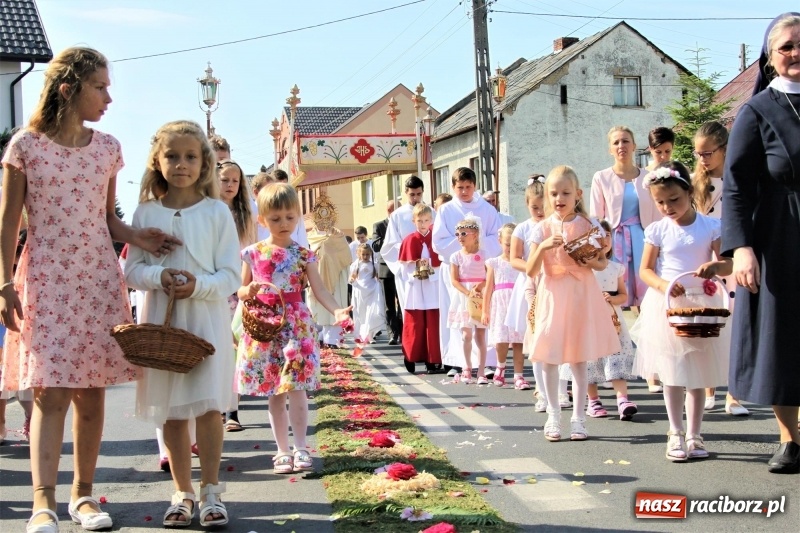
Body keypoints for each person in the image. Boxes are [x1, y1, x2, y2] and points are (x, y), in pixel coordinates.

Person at [0, 47, 180, 533]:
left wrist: (139, 237)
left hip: (98, 279)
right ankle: (43, 502)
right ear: (68, 90)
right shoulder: (25, 146)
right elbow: (9, 220)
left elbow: (106, 220)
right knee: (50, 394)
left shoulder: (108, 148)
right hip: (45, 279)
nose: (108, 97)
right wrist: (2, 283)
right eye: (99, 86)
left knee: (92, 395)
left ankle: (83, 497)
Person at [126, 120, 239, 527]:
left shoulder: (216, 212)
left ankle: (211, 491)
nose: (181, 164)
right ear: (158, 160)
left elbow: (231, 274)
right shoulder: (145, 212)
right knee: (173, 411)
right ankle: (182, 491)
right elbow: (132, 270)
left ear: (204, 163)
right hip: (163, 323)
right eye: (172, 156)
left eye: (191, 156)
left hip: (205, 320)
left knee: (209, 407)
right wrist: (159, 277)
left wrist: (200, 286)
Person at [722, 12, 800, 474]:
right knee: (783, 338)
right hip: (780, 236)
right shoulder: (757, 112)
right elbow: (736, 187)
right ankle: (791, 439)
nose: (796, 53)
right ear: (770, 57)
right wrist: (742, 248)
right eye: (787, 46)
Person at [235, 183, 350, 475]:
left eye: (289, 217)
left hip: (297, 325)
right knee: (275, 391)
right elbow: (240, 290)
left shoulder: (304, 254)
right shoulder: (252, 253)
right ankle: (281, 449)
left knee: (297, 388)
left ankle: (301, 447)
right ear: (262, 220)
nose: (283, 223)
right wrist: (249, 289)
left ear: (297, 217)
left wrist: (336, 309)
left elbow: (319, 288)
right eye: (275, 219)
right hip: (267, 326)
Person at [630, 161, 732, 463]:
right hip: (669, 305)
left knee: (698, 374)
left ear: (688, 192)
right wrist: (663, 285)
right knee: (672, 372)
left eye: (673, 200)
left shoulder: (711, 226)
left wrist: (716, 266)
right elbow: (645, 270)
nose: (667, 207)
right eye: (660, 202)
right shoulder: (657, 230)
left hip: (702, 305)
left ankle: (695, 433)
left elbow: (727, 263)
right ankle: (675, 431)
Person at [525, 165, 620, 442]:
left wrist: (592, 260)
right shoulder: (541, 229)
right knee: (550, 355)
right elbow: (531, 270)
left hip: (580, 294)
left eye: (565, 192)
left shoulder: (587, 225)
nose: (559, 198)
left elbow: (602, 263)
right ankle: (554, 413)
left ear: (577, 194)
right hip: (553, 295)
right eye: (553, 193)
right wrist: (543, 248)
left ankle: (579, 418)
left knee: (579, 358)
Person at [691, 121, 749, 416]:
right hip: (707, 260)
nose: (702, 159)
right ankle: (709, 388)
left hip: (733, 257)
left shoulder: (739, 178)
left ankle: (734, 395)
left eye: (708, 153)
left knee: (736, 328)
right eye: (698, 154)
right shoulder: (694, 184)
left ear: (724, 150)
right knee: (709, 326)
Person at [563, 220, 637, 421]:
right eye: (598, 236)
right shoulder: (583, 267)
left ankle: (623, 399)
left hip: (613, 321)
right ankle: (593, 400)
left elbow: (623, 295)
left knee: (616, 356)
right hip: (588, 319)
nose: (604, 240)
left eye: (607, 235)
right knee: (590, 360)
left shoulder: (616, 268)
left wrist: (613, 299)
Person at [506, 176, 568, 410]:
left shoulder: (557, 224)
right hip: (532, 285)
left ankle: (561, 389)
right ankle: (542, 391)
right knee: (537, 342)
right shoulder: (522, 228)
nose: (540, 212)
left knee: (559, 339)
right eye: (535, 207)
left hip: (556, 284)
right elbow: (514, 260)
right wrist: (536, 268)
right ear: (527, 205)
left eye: (544, 207)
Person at [432, 168, 501, 375]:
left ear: (475, 186)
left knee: (482, 317)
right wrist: (464, 246)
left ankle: (485, 363)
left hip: (480, 272)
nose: (464, 191)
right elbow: (439, 243)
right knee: (457, 319)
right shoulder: (446, 210)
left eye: (468, 187)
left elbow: (496, 239)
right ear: (453, 187)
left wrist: (475, 244)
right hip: (456, 271)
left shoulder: (487, 210)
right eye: (460, 187)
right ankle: (457, 362)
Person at [590, 126, 662, 307]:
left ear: (634, 146)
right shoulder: (601, 177)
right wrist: (599, 248)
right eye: (616, 142)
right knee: (614, 293)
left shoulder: (649, 177)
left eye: (625, 141)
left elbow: (657, 214)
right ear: (610, 149)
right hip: (614, 241)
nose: (621, 145)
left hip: (642, 239)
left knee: (645, 295)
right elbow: (596, 218)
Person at [217, 159, 257, 433]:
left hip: (237, 288)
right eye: (225, 179)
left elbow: (252, 254)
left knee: (234, 349)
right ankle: (213, 408)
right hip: (211, 286)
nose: (230, 185)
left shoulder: (246, 215)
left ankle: (232, 411)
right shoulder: (206, 210)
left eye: (235, 181)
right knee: (213, 349)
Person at [396, 203, 442, 374]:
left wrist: (429, 267)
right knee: (415, 322)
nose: (423, 224)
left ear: (431, 220)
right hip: (415, 285)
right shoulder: (409, 240)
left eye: (426, 220)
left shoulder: (435, 238)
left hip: (431, 284)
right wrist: (415, 267)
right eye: (419, 221)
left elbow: (440, 262)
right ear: (413, 221)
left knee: (432, 321)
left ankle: (433, 359)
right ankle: (411, 356)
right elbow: (403, 267)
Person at [483, 223, 527, 389]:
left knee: (518, 341)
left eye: (514, 244)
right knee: (501, 340)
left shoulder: (522, 263)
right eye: (507, 243)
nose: (510, 247)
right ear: (500, 241)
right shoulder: (494, 263)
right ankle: (500, 368)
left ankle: (519, 375)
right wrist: (485, 310)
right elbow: (488, 288)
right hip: (500, 304)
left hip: (516, 303)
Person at [0, 229, 33, 444]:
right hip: (4, 327)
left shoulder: (31, 268)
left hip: (21, 330)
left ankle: (31, 419)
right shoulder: (4, 271)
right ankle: (1, 423)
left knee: (24, 384)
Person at [447, 216, 489, 384]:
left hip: (479, 297)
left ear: (475, 234)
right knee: (466, 334)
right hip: (464, 297)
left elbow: (489, 277)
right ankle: (467, 366)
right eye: (457, 234)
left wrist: (479, 287)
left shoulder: (484, 255)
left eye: (464, 233)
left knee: (480, 335)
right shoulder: (456, 256)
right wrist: (467, 292)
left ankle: (481, 370)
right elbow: (454, 280)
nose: (460, 237)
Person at [307, 194, 351, 348]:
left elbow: (346, 256)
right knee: (316, 308)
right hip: (315, 276)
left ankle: (333, 340)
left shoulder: (338, 236)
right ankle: (318, 336)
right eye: (320, 213)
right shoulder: (309, 237)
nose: (323, 219)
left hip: (336, 277)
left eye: (327, 213)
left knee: (335, 305)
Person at [381, 176, 426, 318]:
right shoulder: (397, 215)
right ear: (406, 193)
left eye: (419, 194)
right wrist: (410, 247)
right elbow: (389, 246)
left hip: (428, 267)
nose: (416, 198)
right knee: (410, 310)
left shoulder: (432, 212)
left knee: (428, 307)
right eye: (412, 194)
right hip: (408, 268)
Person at [372, 200, 402, 345]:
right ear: (389, 211)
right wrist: (390, 237)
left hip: (402, 269)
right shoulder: (379, 225)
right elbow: (376, 246)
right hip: (386, 270)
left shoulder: (405, 223)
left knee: (403, 303)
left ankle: (403, 332)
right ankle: (392, 334)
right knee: (389, 305)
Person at [348, 244, 385, 345]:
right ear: (359, 254)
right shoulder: (357, 265)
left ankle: (370, 335)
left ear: (371, 254)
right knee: (360, 313)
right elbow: (353, 276)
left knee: (371, 313)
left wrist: (379, 282)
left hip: (372, 291)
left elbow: (377, 276)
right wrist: (352, 279)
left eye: (367, 254)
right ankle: (360, 334)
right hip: (360, 292)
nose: (365, 256)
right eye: (363, 254)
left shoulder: (374, 264)